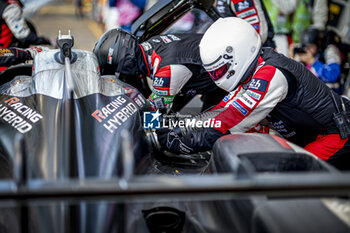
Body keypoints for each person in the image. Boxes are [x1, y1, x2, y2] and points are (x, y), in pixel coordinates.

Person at [157, 17, 350, 170]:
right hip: (310, 134)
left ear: (237, 56)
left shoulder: (270, 74)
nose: (216, 78)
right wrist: (174, 125)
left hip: (335, 134)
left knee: (289, 182)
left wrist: (179, 143)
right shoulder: (255, 69)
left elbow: (228, 122)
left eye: (218, 71)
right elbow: (220, 111)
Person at [93, 29, 227, 113]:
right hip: (220, 76)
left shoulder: (165, 70)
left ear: (126, 64)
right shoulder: (152, 44)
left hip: (235, 84)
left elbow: (153, 117)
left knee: (206, 133)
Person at [292, 28, 342, 94]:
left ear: (318, 43)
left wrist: (313, 62)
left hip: (333, 92)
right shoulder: (310, 53)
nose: (307, 50)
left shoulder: (329, 51)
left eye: (310, 46)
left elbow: (333, 75)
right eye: (306, 46)